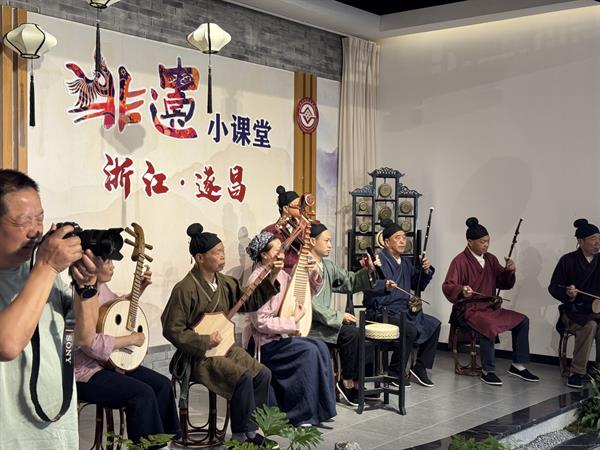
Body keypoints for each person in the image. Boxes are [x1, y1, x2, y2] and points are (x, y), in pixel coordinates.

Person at [0, 169, 101, 449]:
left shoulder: (43, 270)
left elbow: (85, 337)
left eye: (40, 218)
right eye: (24, 221)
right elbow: (7, 345)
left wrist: (87, 286)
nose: (36, 231)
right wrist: (46, 266)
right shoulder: (45, 268)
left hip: (55, 431)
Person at [161, 223, 282, 447]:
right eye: (216, 252)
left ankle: (251, 431)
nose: (222, 256)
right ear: (200, 258)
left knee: (262, 373)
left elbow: (250, 302)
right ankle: (240, 437)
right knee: (242, 376)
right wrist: (204, 340)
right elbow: (171, 329)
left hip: (225, 347)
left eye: (223, 251)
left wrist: (272, 275)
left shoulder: (225, 283)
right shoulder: (184, 288)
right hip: (199, 356)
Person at [75, 259, 180, 444]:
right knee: (142, 394)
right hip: (87, 372)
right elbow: (90, 344)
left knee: (162, 385)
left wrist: (138, 290)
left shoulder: (103, 288)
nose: (112, 266)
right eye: (107, 261)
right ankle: (146, 447)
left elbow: (116, 311)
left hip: (111, 363)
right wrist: (131, 339)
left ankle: (165, 442)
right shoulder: (79, 295)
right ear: (90, 264)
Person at [243, 231, 336, 426]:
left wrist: (312, 272)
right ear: (264, 255)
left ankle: (320, 409)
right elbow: (260, 322)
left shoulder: (281, 274)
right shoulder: (256, 280)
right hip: (263, 344)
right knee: (309, 352)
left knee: (320, 347)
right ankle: (300, 414)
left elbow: (302, 292)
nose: (282, 253)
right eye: (277, 250)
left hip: (279, 338)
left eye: (282, 249)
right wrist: (292, 321)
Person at [442, 217, 539, 386]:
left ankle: (518, 365)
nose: (486, 245)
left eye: (488, 241)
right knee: (488, 325)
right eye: (482, 242)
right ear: (470, 242)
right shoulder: (460, 261)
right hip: (468, 309)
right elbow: (448, 286)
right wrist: (462, 290)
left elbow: (503, 283)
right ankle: (488, 371)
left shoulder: (491, 259)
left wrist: (509, 271)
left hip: (489, 307)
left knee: (523, 320)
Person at [307, 222, 381, 406]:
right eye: (326, 241)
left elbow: (350, 281)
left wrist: (369, 270)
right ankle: (346, 382)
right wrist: (339, 316)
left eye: (330, 241)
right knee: (351, 333)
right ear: (312, 241)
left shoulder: (328, 266)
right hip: (311, 325)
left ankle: (358, 383)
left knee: (359, 333)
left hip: (326, 322)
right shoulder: (304, 267)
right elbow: (309, 304)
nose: (330, 245)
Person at [363, 219, 440, 387]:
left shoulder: (405, 262)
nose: (403, 241)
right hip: (383, 312)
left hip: (404, 311)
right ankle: (395, 372)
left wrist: (426, 270)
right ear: (386, 242)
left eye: (404, 238)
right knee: (409, 330)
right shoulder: (377, 261)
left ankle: (419, 367)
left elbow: (418, 285)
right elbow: (369, 289)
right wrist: (374, 274)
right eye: (397, 238)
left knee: (434, 325)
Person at [549, 218, 600, 389]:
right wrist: (567, 292)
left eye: (599, 238)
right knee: (590, 325)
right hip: (573, 312)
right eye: (593, 239)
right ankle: (577, 372)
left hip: (596, 310)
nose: (597, 243)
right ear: (581, 241)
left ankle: (598, 371)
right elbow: (554, 287)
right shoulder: (567, 260)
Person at [262, 185, 303, 273]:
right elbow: (263, 257)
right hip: (278, 272)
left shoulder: (303, 228)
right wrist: (277, 228)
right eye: (298, 206)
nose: (301, 208)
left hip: (299, 272)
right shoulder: (269, 230)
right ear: (286, 209)